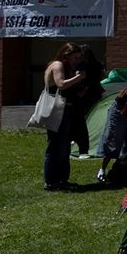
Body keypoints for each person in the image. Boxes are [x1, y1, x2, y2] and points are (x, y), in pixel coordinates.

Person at [41, 43, 85, 191]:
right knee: (55, 146)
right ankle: (51, 181)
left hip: (64, 111)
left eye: (79, 58)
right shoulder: (57, 65)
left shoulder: (66, 68)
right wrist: (78, 77)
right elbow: (60, 84)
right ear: (66, 55)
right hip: (56, 112)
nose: (77, 61)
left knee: (64, 146)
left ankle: (62, 179)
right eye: (75, 58)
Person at [64, 44, 106, 159]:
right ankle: (83, 147)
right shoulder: (97, 64)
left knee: (77, 119)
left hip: (82, 94)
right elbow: (102, 75)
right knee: (84, 119)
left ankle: (73, 142)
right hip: (96, 92)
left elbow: (80, 78)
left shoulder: (82, 64)